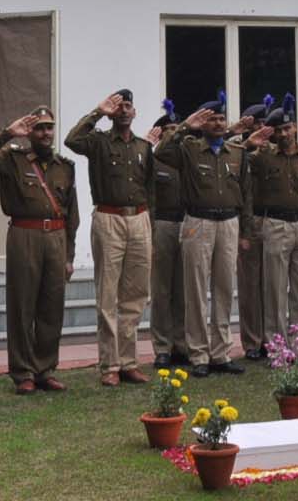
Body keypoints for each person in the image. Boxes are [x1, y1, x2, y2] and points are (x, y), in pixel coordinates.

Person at [0, 106, 79, 394]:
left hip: (56, 237)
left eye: (49, 127)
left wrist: (70, 255)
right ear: (30, 132)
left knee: (52, 306)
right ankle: (23, 372)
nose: (46, 133)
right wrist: (8, 133)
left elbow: (72, 214)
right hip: (25, 234)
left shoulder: (64, 166)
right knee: (23, 305)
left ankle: (45, 369)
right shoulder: (12, 160)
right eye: (40, 128)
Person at [67, 88, 155, 387]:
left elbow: (151, 187)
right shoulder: (98, 142)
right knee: (108, 294)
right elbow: (71, 140)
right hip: (109, 218)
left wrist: (149, 224)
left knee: (136, 295)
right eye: (118, 106)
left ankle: (129, 362)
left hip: (139, 218)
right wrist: (98, 112)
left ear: (134, 112)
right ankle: (109, 365)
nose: (123, 111)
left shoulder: (144, 147)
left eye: (127, 106)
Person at [160, 94, 251, 376]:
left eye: (221, 118)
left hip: (228, 222)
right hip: (197, 222)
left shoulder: (237, 153)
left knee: (224, 288)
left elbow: (246, 194)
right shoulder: (188, 148)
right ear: (202, 123)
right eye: (211, 118)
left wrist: (245, 231)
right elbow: (162, 152)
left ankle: (220, 352)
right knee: (196, 289)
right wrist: (185, 126)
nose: (217, 123)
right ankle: (198, 354)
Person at [244, 98, 298, 343]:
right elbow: (234, 158)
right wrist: (249, 143)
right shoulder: (262, 157)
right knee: (275, 291)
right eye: (278, 130)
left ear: (296, 127)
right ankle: (277, 346)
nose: (284, 134)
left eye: (287, 128)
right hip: (276, 226)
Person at [146, 104, 187, 366]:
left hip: (188, 225)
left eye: (177, 129)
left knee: (184, 289)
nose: (173, 133)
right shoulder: (153, 159)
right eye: (168, 130)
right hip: (161, 224)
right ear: (160, 135)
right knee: (161, 289)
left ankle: (182, 344)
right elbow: (147, 197)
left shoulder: (189, 158)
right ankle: (162, 346)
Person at [233, 99, 273, 361]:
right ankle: (251, 341)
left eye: (264, 124)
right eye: (256, 124)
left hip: (272, 221)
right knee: (249, 286)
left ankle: (270, 338)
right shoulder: (237, 152)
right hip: (247, 222)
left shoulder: (276, 152)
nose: (261, 129)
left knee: (272, 284)